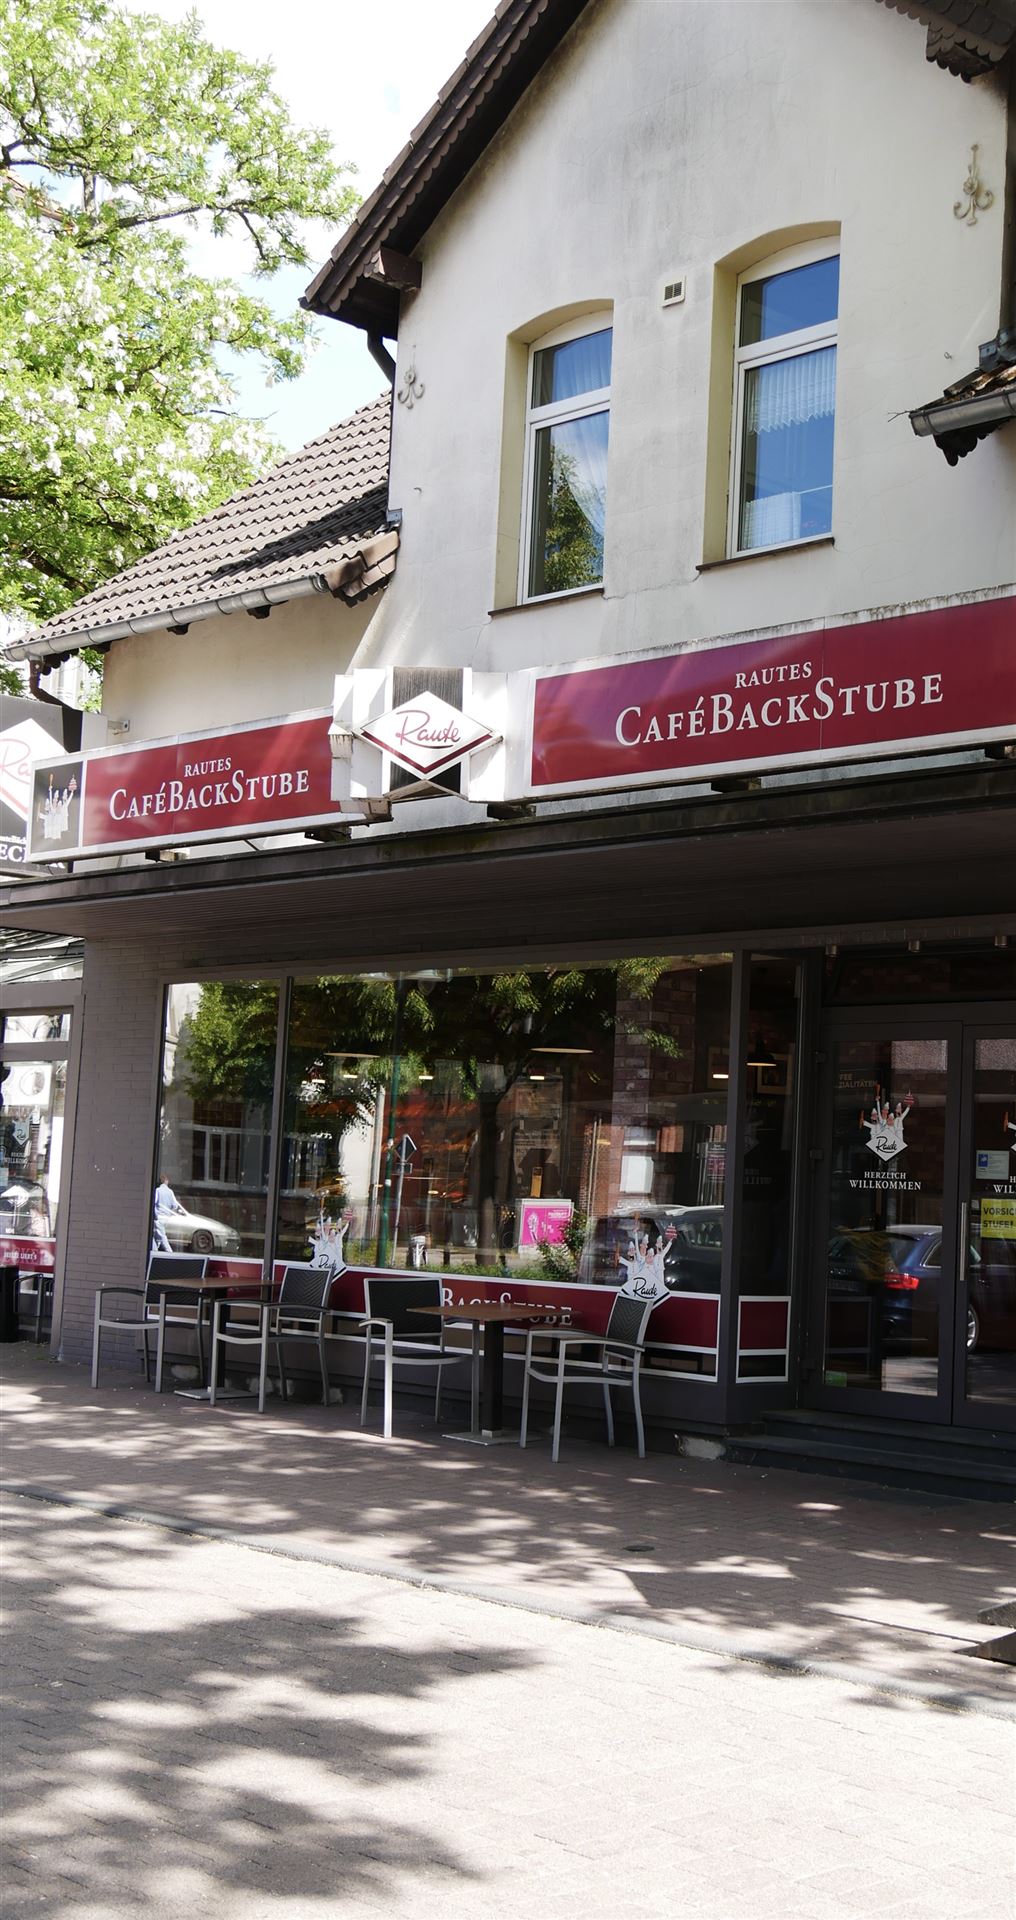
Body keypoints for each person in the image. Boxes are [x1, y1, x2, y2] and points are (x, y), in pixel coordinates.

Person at [152, 1177, 185, 1254]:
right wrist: (170, 1211)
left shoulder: (158, 1190)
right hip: (167, 1218)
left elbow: (153, 1203)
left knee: (161, 1236)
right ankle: (155, 1252)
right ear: (166, 1181)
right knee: (157, 1236)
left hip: (159, 1217)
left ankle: (170, 1253)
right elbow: (175, 1205)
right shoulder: (170, 1192)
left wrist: (155, 1215)